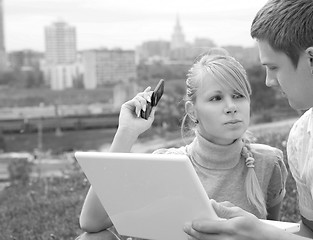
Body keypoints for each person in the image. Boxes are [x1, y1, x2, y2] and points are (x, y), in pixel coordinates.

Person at [183, 0, 313, 239]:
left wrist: (263, 236)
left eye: (273, 67)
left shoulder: (272, 160)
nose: (268, 80)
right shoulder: (301, 138)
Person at [76, 49, 288, 240]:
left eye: (238, 96)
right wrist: (126, 133)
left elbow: (270, 232)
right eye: (216, 98)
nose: (231, 107)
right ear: (192, 111)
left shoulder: (268, 162)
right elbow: (91, 224)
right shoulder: (165, 164)